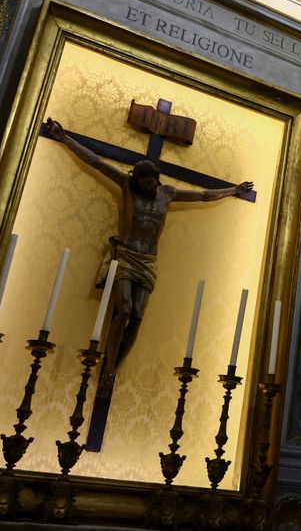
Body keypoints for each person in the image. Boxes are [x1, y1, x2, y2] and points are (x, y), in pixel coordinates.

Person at [42, 118, 253, 398]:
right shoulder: (128, 186)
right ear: (136, 179)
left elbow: (202, 195)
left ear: (157, 179)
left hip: (148, 261)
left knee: (139, 315)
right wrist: (65, 139)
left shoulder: (168, 194)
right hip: (127, 255)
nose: (146, 184)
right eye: (142, 180)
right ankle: (107, 369)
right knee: (125, 308)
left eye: (150, 180)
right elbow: (96, 162)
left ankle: (115, 367)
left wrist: (232, 191)